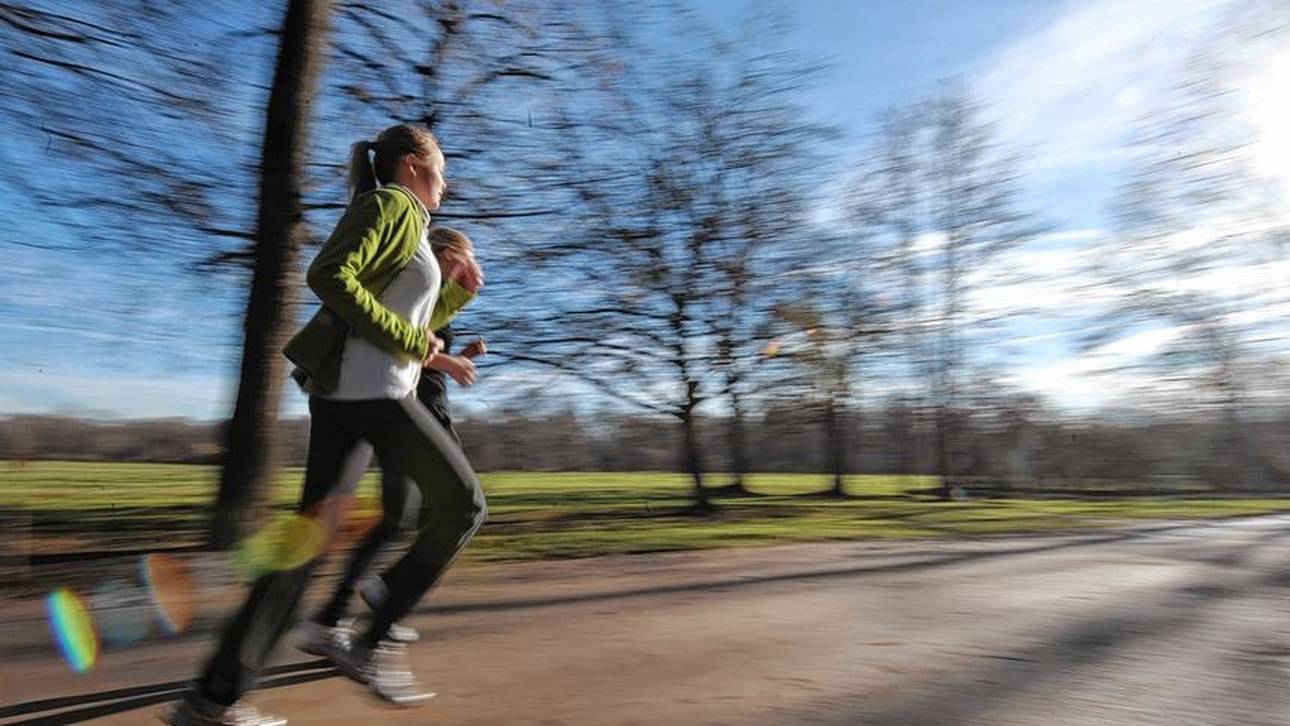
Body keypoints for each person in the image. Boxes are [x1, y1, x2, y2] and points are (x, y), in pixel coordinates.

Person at [165, 124, 487, 726]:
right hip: (372, 393)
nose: (446, 184)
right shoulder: (393, 205)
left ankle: (212, 698)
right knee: (464, 505)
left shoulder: (408, 222)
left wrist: (450, 304)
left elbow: (401, 316)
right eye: (441, 170)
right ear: (413, 165)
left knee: (303, 548)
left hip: (349, 396)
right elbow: (330, 276)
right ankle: (372, 636)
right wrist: (415, 339)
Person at [300, 227, 485, 654]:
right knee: (450, 508)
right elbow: (400, 337)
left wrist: (460, 355)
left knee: (401, 514)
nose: (471, 266)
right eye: (465, 257)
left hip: (408, 404)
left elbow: (422, 337)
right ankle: (381, 601)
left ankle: (351, 611)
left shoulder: (431, 292)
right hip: (405, 407)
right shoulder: (415, 281)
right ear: (444, 253)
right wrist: (448, 357)